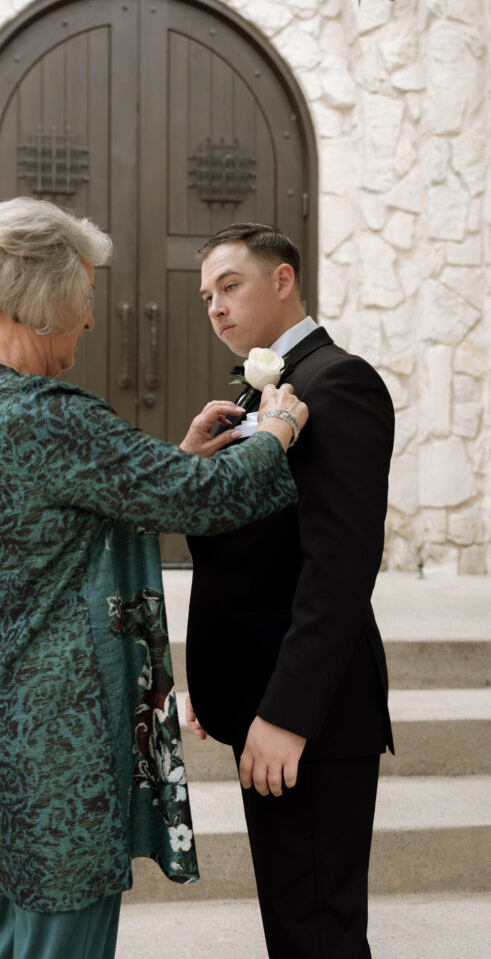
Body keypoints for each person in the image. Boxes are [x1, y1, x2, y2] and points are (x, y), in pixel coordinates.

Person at [0, 198, 308, 959]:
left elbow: (62, 506)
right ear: (40, 305)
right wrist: (277, 433)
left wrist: (182, 454)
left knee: (17, 919)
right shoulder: (45, 415)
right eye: (83, 301)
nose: (89, 322)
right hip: (54, 724)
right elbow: (206, 502)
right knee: (63, 929)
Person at [183, 223, 394, 959]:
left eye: (229, 285)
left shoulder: (341, 382)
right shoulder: (251, 396)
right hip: (258, 701)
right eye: (206, 295)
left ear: (283, 281)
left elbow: (339, 565)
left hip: (312, 714)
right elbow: (242, 557)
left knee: (317, 931)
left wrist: (287, 713)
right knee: (291, 923)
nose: (214, 307)